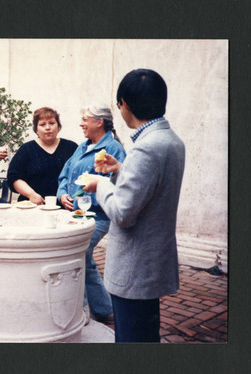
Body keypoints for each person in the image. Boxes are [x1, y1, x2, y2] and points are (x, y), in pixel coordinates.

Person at [83, 69, 186, 342]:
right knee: (145, 336)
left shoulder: (146, 147)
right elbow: (150, 189)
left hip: (133, 269)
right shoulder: (171, 141)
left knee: (131, 340)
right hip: (151, 264)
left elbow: (123, 212)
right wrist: (120, 169)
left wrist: (100, 184)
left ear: (125, 104)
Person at [57, 105, 126, 324]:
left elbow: (119, 185)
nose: (81, 123)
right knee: (84, 257)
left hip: (98, 216)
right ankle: (104, 308)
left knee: (76, 253)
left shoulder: (113, 148)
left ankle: (81, 309)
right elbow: (66, 172)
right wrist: (62, 195)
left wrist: (91, 192)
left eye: (85, 119)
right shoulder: (83, 146)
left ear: (100, 122)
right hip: (76, 214)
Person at [7, 107, 77, 205]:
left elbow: (79, 176)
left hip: (64, 207)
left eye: (51, 123)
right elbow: (13, 177)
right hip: (32, 207)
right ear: (36, 129)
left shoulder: (71, 148)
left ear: (59, 126)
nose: (47, 127)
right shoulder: (26, 149)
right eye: (42, 124)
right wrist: (31, 194)